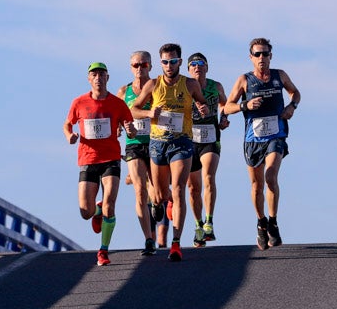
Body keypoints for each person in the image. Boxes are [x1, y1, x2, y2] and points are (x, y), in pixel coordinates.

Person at [129, 43, 209, 262]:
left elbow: (204, 105)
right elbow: (133, 109)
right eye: (165, 61)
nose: (169, 65)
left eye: (173, 61)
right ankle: (156, 205)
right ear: (161, 63)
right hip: (158, 144)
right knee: (160, 195)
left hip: (182, 143)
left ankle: (175, 242)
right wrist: (148, 112)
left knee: (179, 189)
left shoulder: (190, 84)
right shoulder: (153, 85)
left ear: (180, 62)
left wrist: (203, 108)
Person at [223, 38, 301, 250]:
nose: (261, 58)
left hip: (276, 135)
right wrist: (244, 105)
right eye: (257, 54)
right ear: (251, 57)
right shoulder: (244, 80)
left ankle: (273, 221)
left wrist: (291, 106)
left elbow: (296, 92)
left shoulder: (279, 75)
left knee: (270, 176)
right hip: (253, 139)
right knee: (256, 185)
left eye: (265, 54)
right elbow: (226, 108)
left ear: (270, 56)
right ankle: (261, 222)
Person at [64, 62, 137, 266]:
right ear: (89, 78)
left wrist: (131, 131)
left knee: (110, 205)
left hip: (111, 159)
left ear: (107, 78)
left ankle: (103, 251)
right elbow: (67, 123)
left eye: (101, 74)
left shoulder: (117, 103)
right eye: (94, 74)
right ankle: (97, 211)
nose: (98, 78)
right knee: (85, 212)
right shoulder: (79, 102)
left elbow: (130, 128)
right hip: (88, 159)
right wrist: (70, 135)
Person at [118, 51, 158, 256]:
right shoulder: (124, 91)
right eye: (135, 65)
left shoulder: (158, 87)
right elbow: (116, 114)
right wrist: (119, 127)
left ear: (150, 66)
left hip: (156, 143)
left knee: (158, 194)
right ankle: (149, 239)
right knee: (140, 191)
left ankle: (159, 205)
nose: (139, 68)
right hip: (134, 144)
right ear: (131, 67)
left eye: (143, 64)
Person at [186, 53, 228, 247]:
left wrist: (223, 118)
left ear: (207, 68)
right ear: (188, 69)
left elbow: (225, 105)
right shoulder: (184, 87)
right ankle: (198, 225)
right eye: (193, 64)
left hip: (210, 137)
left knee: (209, 177)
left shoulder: (215, 86)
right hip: (189, 139)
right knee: (193, 187)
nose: (197, 67)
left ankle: (209, 222)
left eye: (201, 64)